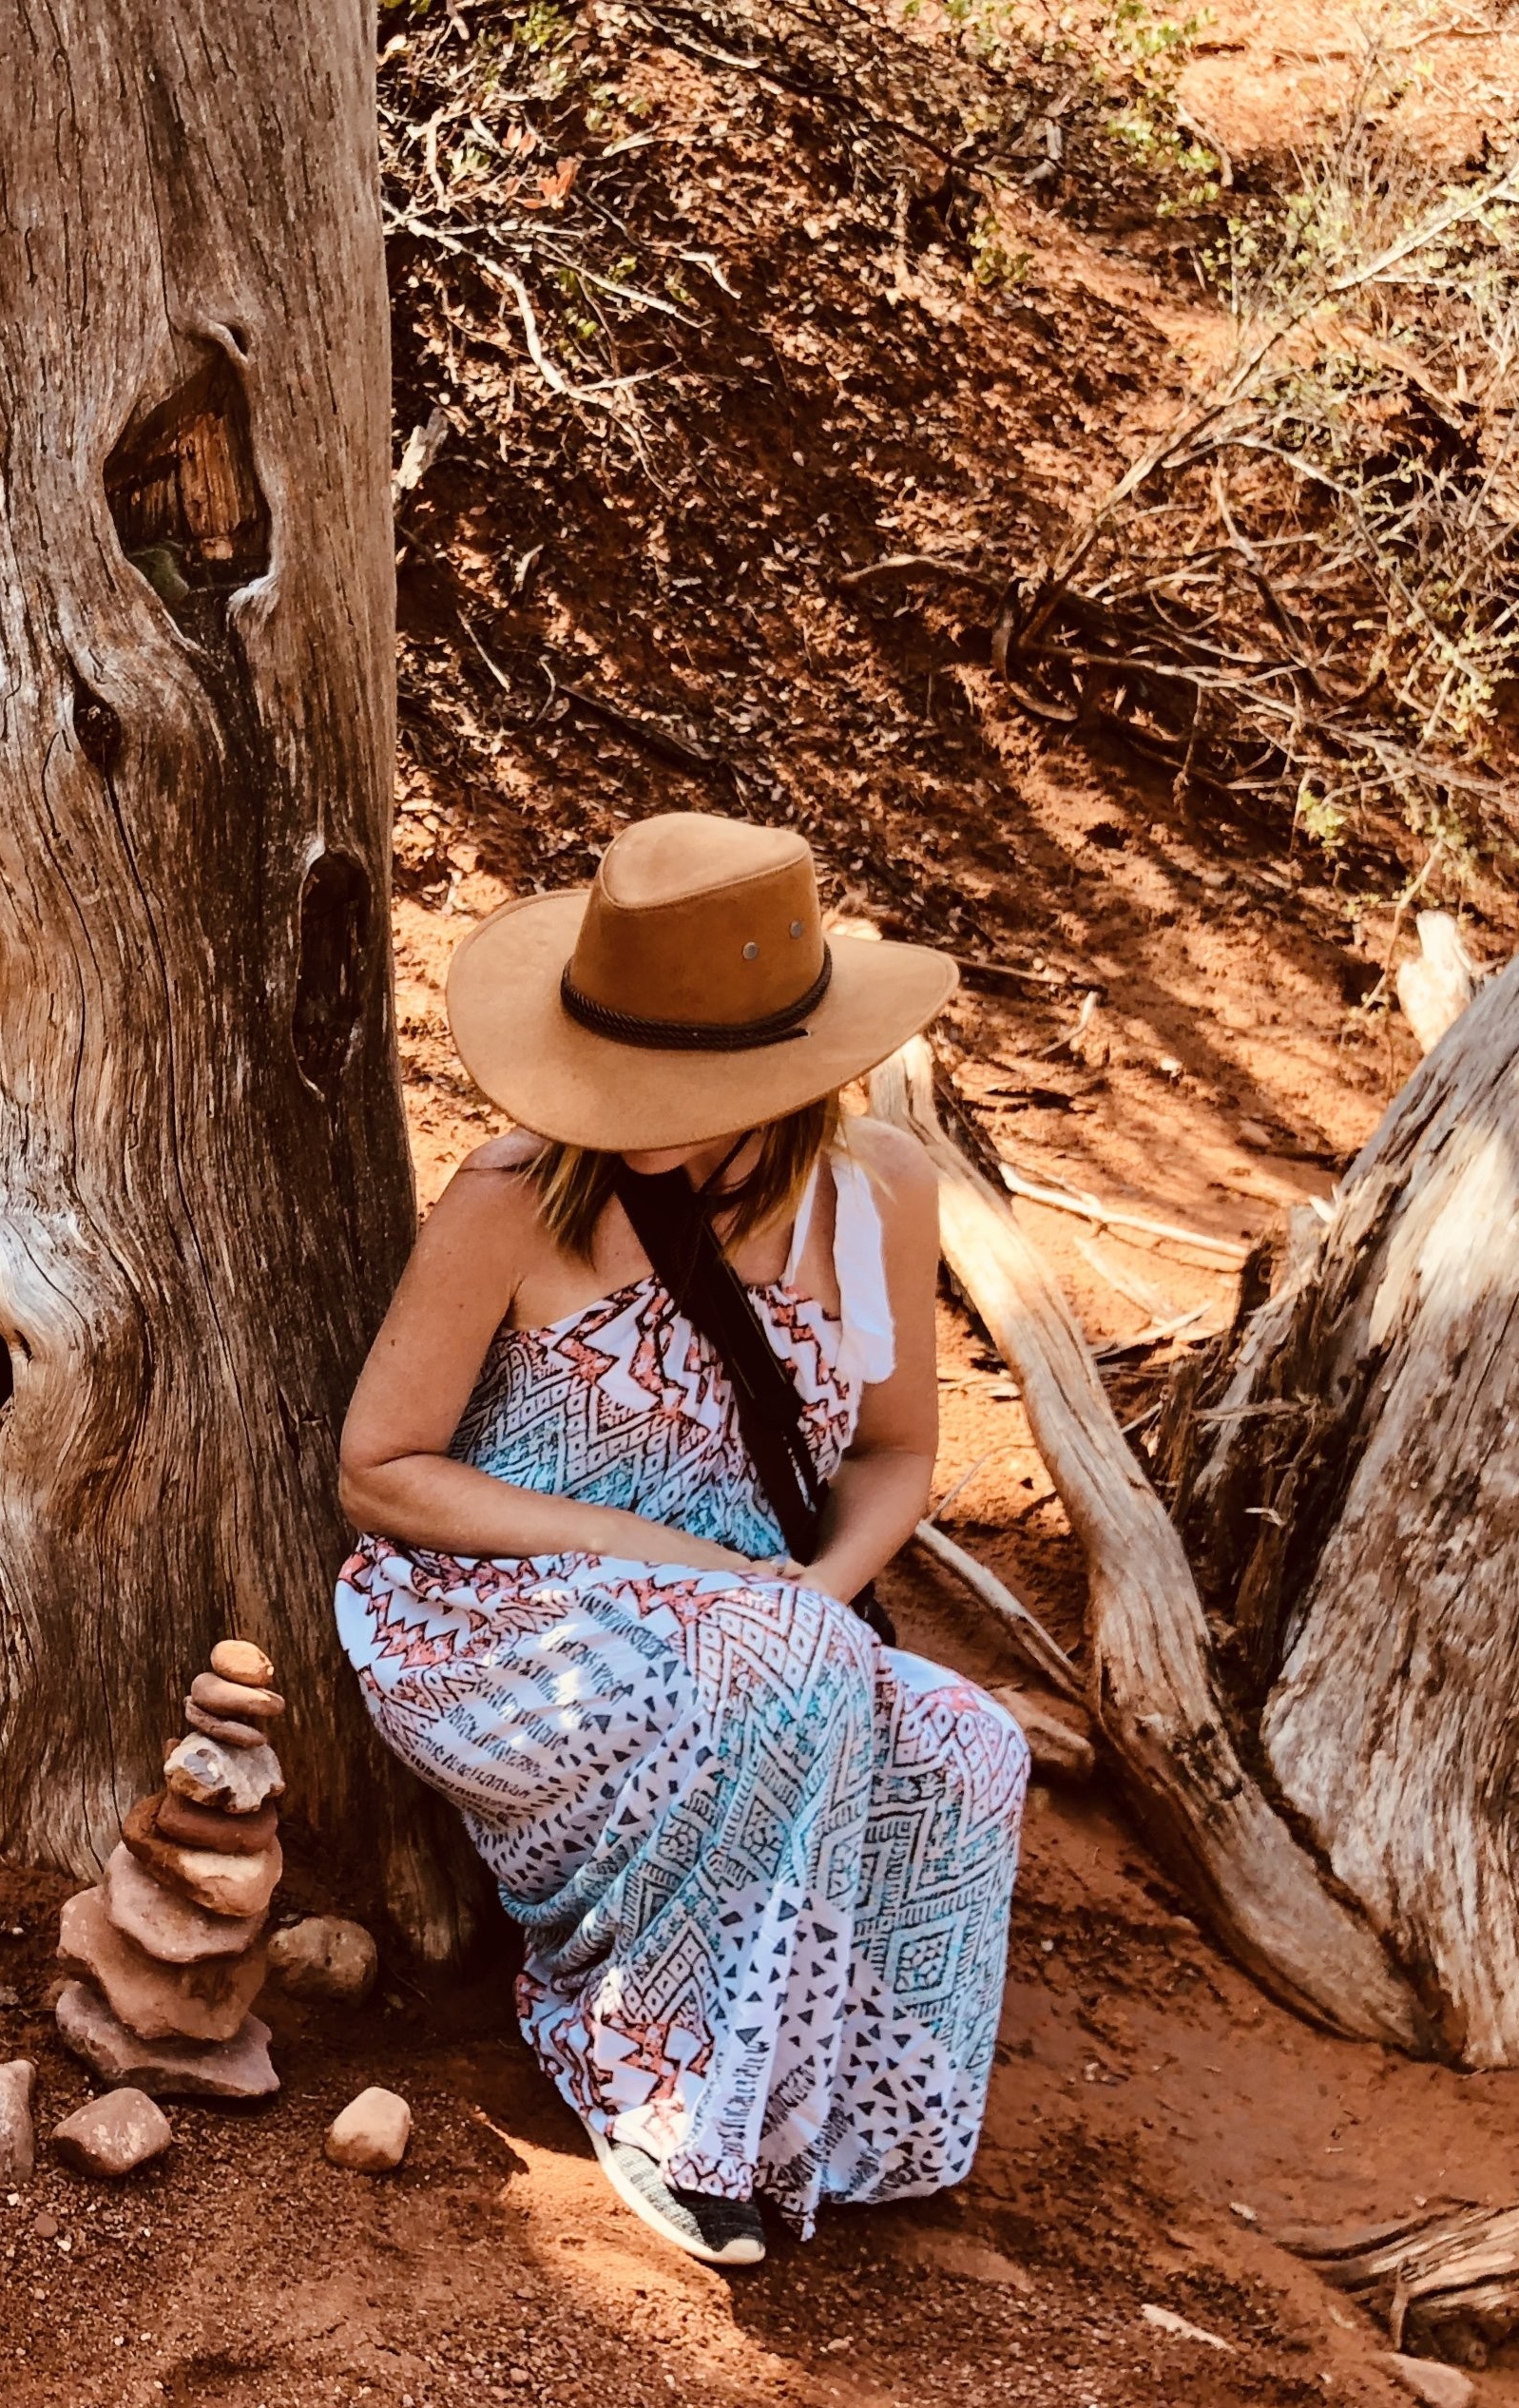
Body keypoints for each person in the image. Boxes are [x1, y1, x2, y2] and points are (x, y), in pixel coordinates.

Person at [335, 812, 1029, 2267]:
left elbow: (900, 1451)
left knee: (969, 1741)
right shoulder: (513, 1196)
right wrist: (688, 1575)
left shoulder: (878, 1191)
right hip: (498, 1618)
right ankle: (660, 2098)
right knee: (781, 1667)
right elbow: (381, 1470)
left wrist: (822, 1589)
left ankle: (837, 2125)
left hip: (765, 1624)